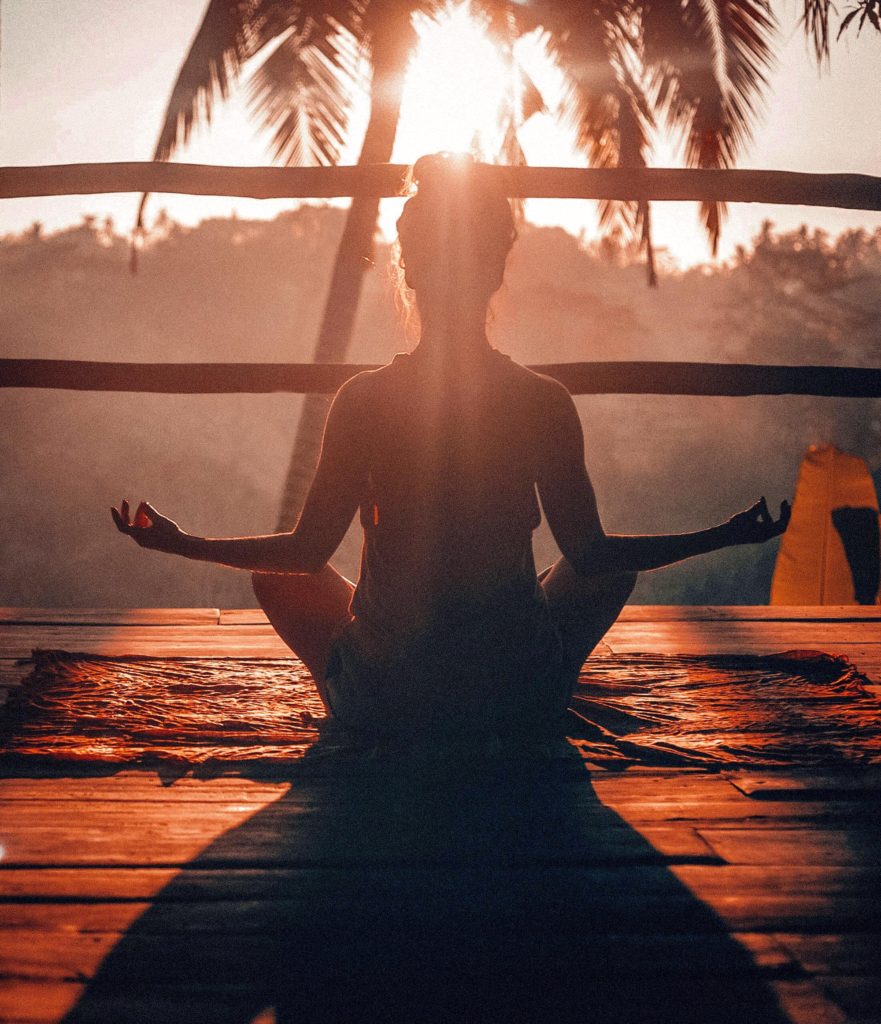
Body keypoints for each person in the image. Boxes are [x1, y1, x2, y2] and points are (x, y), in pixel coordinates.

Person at [112, 152, 790, 743]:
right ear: (496, 270)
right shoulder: (541, 400)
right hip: (515, 697)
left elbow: (304, 553)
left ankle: (364, 692)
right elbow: (591, 554)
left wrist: (182, 542)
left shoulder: (364, 399)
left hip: (388, 703)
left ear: (408, 270)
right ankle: (534, 684)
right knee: (607, 568)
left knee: (278, 576)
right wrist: (722, 534)